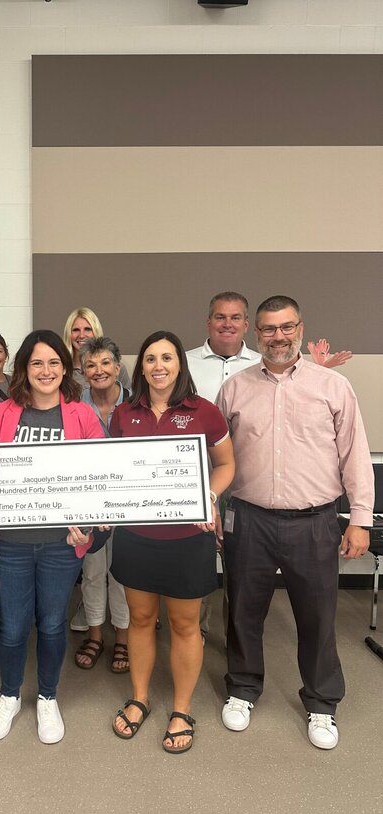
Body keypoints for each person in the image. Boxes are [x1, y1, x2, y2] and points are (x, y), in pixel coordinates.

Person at [216, 295, 373, 750]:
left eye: (286, 328)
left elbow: (355, 456)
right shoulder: (235, 388)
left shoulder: (333, 386)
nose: (278, 336)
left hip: (315, 521)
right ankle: (243, 689)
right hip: (248, 517)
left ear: (300, 329)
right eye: (268, 329)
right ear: (255, 333)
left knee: (319, 615)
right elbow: (215, 456)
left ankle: (322, 702)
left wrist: (359, 519)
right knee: (243, 609)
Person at [0, 330, 105, 745]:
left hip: (60, 545)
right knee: (12, 628)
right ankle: (10, 695)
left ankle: (47, 696)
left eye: (53, 362)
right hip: (12, 543)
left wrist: (86, 521)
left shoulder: (82, 416)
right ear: (24, 370)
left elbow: (96, 476)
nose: (45, 371)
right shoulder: (4, 413)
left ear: (66, 368)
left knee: (51, 625)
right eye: (36, 363)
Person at [109, 331, 234, 753]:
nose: (158, 366)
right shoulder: (124, 414)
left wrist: (209, 496)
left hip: (188, 539)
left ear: (180, 363)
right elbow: (111, 472)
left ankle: (181, 709)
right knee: (140, 621)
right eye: (149, 359)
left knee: (184, 625)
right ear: (141, 367)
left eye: (166, 357)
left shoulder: (206, 411)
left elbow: (227, 463)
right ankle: (140, 698)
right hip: (135, 537)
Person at [186, 292, 261, 642]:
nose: (227, 324)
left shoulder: (264, 365)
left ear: (246, 324)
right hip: (196, 480)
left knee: (240, 564)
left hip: (246, 482)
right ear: (208, 322)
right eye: (220, 317)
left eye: (235, 317)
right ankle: (195, 630)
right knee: (197, 560)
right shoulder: (183, 364)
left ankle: (237, 638)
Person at [74, 337, 130, 674]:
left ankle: (122, 638)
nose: (99, 371)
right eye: (91, 365)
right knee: (93, 572)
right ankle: (95, 634)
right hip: (88, 502)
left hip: (126, 502)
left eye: (105, 363)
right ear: (82, 371)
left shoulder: (136, 405)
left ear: (117, 367)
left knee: (123, 574)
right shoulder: (73, 407)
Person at [62, 307, 131, 390]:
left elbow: (129, 400)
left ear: (96, 331)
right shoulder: (62, 370)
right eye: (76, 330)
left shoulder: (116, 367)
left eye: (88, 329)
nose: (82, 335)